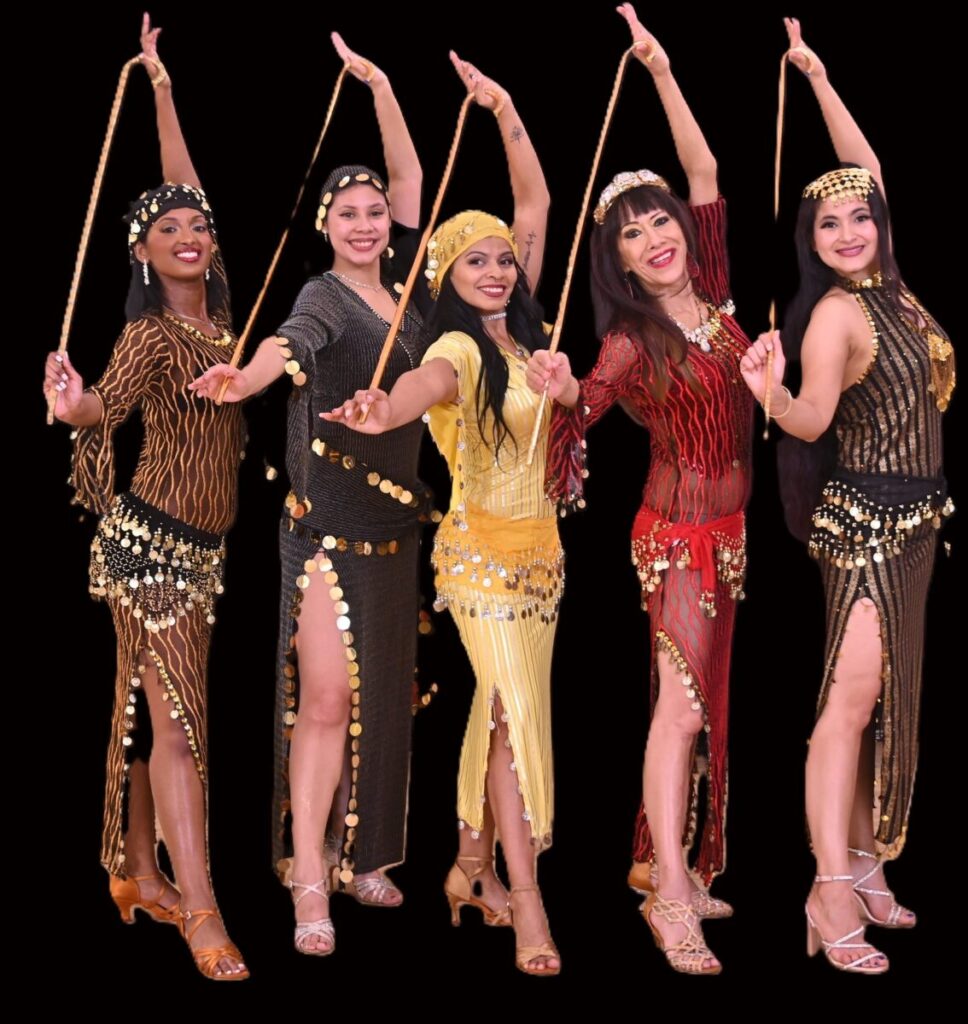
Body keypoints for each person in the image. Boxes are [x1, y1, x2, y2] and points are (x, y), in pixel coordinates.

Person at [189, 34, 428, 955]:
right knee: (325, 700)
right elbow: (283, 348)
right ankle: (307, 879)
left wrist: (382, 87)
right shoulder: (325, 296)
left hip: (394, 525)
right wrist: (243, 380)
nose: (366, 224)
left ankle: (363, 856)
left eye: (376, 212)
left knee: (383, 698)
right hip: (326, 525)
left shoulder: (409, 292)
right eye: (349, 214)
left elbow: (411, 174)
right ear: (327, 225)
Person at [324, 52, 561, 975]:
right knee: (514, 712)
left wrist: (504, 110)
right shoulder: (454, 349)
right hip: (479, 564)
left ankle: (468, 866)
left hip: (544, 562)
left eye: (504, 259)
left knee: (498, 716)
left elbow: (535, 202)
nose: (497, 270)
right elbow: (416, 390)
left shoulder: (532, 342)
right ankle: (528, 901)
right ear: (445, 276)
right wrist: (380, 410)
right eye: (476, 260)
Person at [528, 4, 753, 975]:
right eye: (633, 232)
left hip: (730, 533)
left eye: (660, 219)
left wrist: (659, 70)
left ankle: (665, 864)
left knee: (700, 704)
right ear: (615, 258)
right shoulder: (629, 340)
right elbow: (581, 406)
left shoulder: (714, 289)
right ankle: (666, 896)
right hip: (676, 539)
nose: (655, 235)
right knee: (680, 709)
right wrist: (557, 390)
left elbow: (704, 170)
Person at [738, 18, 954, 974]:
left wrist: (820, 78)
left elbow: (866, 168)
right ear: (811, 242)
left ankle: (864, 862)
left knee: (881, 699)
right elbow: (813, 421)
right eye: (829, 225)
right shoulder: (833, 312)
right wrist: (769, 394)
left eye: (860, 217)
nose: (850, 230)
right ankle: (827, 891)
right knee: (849, 703)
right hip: (865, 524)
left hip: (916, 522)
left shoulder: (892, 289)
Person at [43, 15, 248, 980]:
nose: (190, 236)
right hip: (150, 549)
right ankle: (201, 907)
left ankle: (132, 866)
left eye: (198, 228)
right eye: (168, 232)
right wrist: (72, 402)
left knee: (145, 706)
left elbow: (187, 184)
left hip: (203, 554)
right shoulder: (151, 336)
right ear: (140, 254)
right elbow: (104, 408)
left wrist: (162, 87)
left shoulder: (228, 320)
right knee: (178, 722)